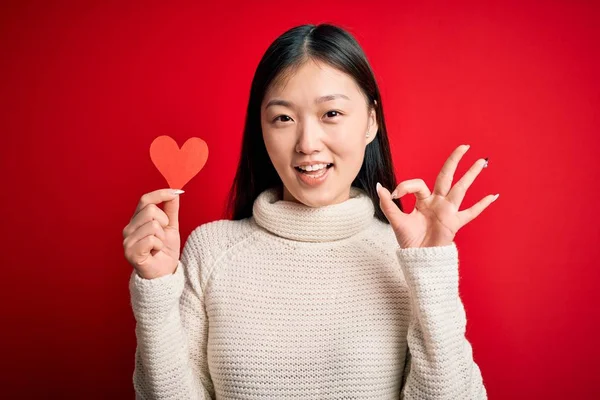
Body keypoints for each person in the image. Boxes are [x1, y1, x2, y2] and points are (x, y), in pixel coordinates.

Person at [123, 23, 496, 399]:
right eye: (283, 118)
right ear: (262, 129)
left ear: (370, 121)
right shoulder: (211, 251)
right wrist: (155, 289)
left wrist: (430, 270)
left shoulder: (405, 258)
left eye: (331, 113)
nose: (307, 143)